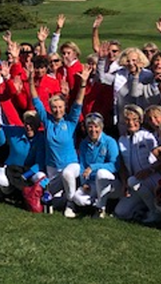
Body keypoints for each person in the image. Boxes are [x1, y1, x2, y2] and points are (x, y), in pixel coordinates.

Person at [32, 62, 89, 218]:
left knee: (67, 175)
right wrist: (30, 81)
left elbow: (78, 103)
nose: (57, 110)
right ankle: (69, 197)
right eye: (54, 107)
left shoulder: (70, 122)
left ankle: (71, 204)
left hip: (71, 165)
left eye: (60, 107)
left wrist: (83, 84)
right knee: (52, 200)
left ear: (64, 108)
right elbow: (36, 101)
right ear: (50, 109)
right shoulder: (47, 121)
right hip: (52, 168)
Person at [115, 105, 161, 223]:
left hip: (152, 177)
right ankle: (143, 208)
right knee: (121, 212)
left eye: (135, 119)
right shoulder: (122, 140)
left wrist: (150, 170)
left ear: (140, 120)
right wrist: (124, 183)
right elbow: (123, 166)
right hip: (135, 182)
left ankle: (155, 212)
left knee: (133, 181)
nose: (131, 123)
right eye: (127, 120)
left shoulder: (147, 136)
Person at [71, 113, 119, 218]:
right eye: (90, 127)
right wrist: (84, 182)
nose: (93, 130)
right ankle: (96, 202)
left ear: (101, 127)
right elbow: (82, 165)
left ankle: (101, 207)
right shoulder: (84, 143)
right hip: (92, 182)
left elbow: (115, 165)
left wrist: (93, 167)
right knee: (77, 198)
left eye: (96, 126)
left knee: (101, 173)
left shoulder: (109, 142)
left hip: (109, 182)